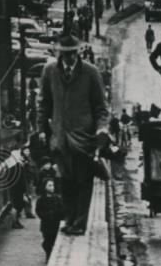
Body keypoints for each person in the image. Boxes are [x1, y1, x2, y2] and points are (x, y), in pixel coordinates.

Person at [40, 33, 111, 236]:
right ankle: (69, 218)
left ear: (78, 52)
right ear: (59, 53)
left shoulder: (90, 72)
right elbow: (44, 104)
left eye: (72, 53)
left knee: (83, 181)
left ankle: (79, 223)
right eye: (65, 54)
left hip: (83, 139)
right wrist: (41, 131)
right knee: (65, 182)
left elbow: (101, 108)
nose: (69, 58)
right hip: (60, 138)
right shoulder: (50, 71)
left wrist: (101, 128)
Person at [35, 176, 66, 260]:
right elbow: (38, 211)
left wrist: (58, 214)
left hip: (56, 224)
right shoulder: (41, 200)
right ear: (45, 187)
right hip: (46, 225)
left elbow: (62, 210)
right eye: (49, 185)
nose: (52, 187)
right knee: (47, 241)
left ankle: (53, 255)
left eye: (53, 185)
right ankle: (48, 254)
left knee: (54, 240)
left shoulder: (57, 198)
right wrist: (46, 215)